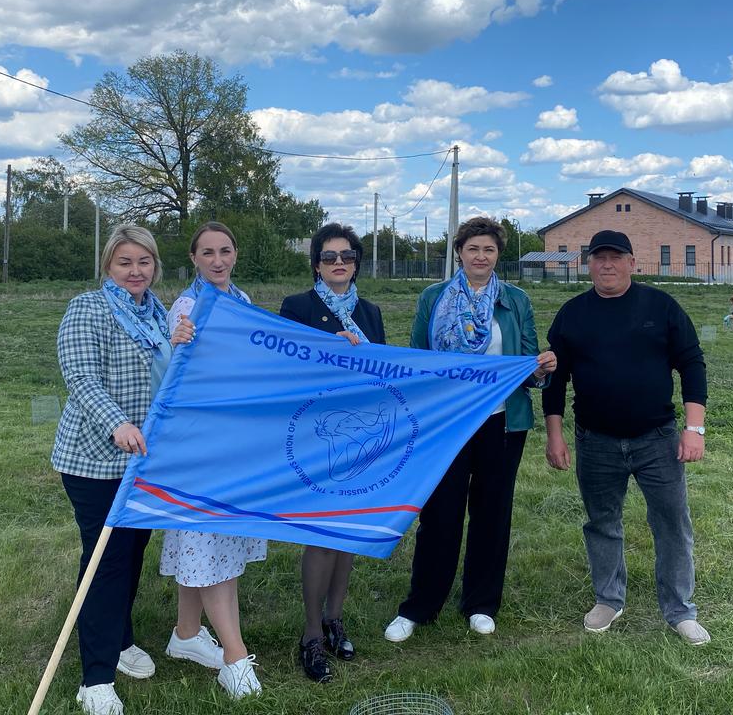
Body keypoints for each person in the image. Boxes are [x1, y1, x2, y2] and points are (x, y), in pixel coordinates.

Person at [385, 217, 556, 643]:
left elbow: (529, 362)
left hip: (502, 423)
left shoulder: (516, 301)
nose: (481, 257)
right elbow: (418, 359)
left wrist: (542, 369)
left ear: (498, 256)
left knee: (492, 514)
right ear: (459, 252)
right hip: (446, 426)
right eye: (473, 249)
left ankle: (481, 603)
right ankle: (419, 606)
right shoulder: (433, 298)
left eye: (490, 250)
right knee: (439, 514)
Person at [543, 230, 711, 646]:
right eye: (599, 258)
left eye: (615, 257)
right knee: (602, 522)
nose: (607, 265)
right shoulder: (572, 313)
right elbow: (554, 378)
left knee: (671, 522)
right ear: (588, 264)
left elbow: (692, 364)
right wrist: (554, 435)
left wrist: (694, 428)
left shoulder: (661, 306)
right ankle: (609, 599)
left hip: (657, 438)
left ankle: (679, 610)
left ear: (632, 263)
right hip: (595, 440)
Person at [53, 224, 195, 715]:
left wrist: (178, 347)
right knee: (105, 562)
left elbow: (160, 380)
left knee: (131, 555)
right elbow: (82, 377)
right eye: (125, 263)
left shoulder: (156, 312)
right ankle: (95, 679)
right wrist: (117, 423)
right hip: (95, 460)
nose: (136, 271)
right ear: (108, 266)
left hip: (144, 462)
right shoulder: (88, 309)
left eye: (144, 262)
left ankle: (120, 637)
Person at [161, 221, 267, 699]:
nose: (218, 260)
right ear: (195, 259)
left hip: (234, 442)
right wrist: (179, 340)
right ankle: (235, 655)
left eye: (225, 250)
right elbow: (179, 367)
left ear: (236, 254)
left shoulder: (242, 303)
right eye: (208, 253)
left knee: (206, 542)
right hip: (202, 446)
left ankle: (186, 633)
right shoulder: (187, 308)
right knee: (207, 545)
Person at [280, 223, 387, 683]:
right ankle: (310, 634)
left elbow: (384, 369)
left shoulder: (371, 311)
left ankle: (334, 617)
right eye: (329, 257)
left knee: (348, 535)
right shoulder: (297, 307)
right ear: (316, 264)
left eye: (346, 255)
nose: (338, 263)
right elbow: (285, 369)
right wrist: (330, 350)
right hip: (316, 434)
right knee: (322, 535)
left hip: (360, 436)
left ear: (357, 261)